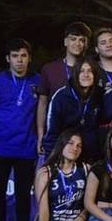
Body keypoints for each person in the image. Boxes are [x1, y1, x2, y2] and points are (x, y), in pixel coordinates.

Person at [0, 38, 41, 221]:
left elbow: (41, 112)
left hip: (27, 149)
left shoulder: (37, 81)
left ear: (29, 57)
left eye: (23, 55)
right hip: (0, 148)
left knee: (23, 196)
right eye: (15, 56)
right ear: (8, 58)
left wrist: (40, 139)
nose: (19, 60)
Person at [33, 129, 98, 221]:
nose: (74, 148)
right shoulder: (46, 173)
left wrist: (82, 215)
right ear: (61, 144)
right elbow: (43, 212)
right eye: (70, 143)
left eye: (79, 145)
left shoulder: (86, 170)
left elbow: (90, 202)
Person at [36, 21, 92, 155]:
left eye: (82, 40)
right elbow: (43, 103)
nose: (77, 43)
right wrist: (40, 134)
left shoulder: (90, 70)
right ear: (65, 41)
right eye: (73, 39)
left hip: (83, 137)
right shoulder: (50, 69)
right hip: (56, 135)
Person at [43, 57, 104, 163]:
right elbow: (51, 135)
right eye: (81, 71)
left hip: (93, 159)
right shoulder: (61, 97)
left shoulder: (100, 95)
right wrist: (52, 163)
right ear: (76, 74)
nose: (86, 75)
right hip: (66, 159)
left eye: (90, 71)